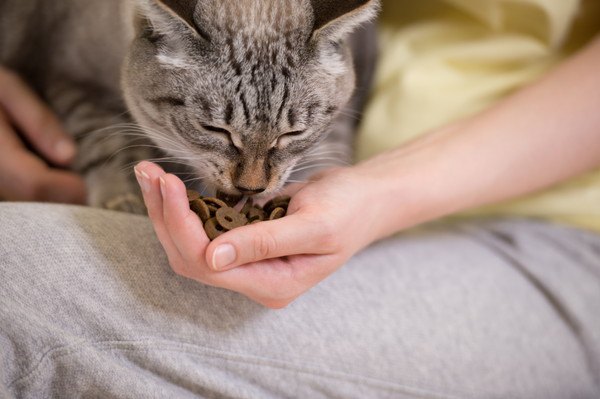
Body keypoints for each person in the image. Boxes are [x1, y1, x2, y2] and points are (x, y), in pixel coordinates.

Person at [1, 2, 599, 398]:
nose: (254, 178)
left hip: (549, 226)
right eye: (223, 139)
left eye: (281, 145)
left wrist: (377, 189)